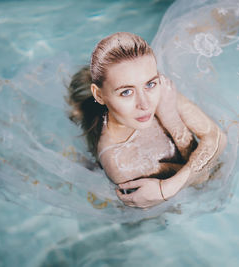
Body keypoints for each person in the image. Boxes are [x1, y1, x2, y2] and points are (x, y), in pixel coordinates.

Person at [68, 32, 226, 209]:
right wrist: (172, 118)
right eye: (126, 92)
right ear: (99, 95)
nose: (145, 104)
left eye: (149, 83)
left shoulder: (158, 92)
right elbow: (205, 177)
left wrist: (167, 187)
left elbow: (216, 136)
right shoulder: (121, 162)